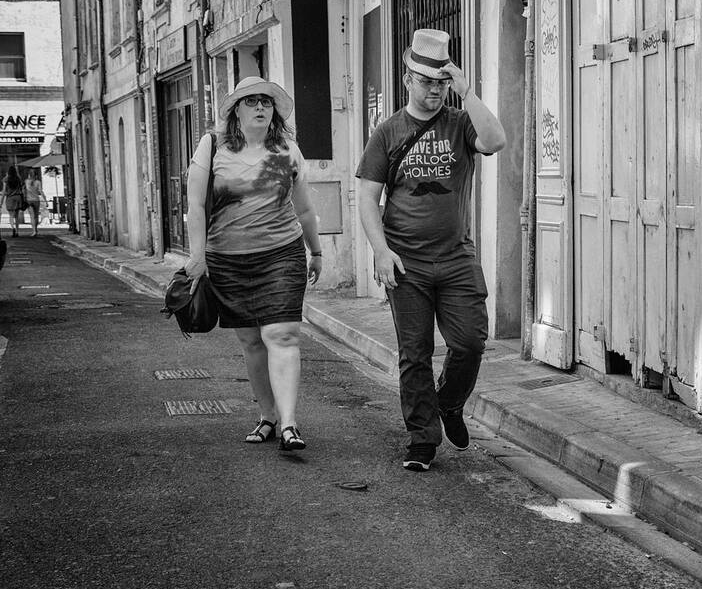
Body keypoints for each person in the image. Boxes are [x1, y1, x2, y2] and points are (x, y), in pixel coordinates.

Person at [356, 29, 506, 471]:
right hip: (407, 264)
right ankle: (422, 439)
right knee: (415, 353)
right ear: (408, 81)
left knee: (471, 342)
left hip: (457, 259)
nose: (435, 89)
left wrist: (468, 91)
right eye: (426, 81)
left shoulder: (461, 124)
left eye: (441, 82)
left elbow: (496, 140)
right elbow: (367, 198)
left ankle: (450, 403)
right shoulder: (387, 133)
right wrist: (381, 253)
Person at [185, 76, 324, 452]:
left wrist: (317, 251)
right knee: (251, 341)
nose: (260, 107)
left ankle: (290, 423)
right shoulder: (212, 146)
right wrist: (197, 257)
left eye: (266, 101)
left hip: (281, 253)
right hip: (227, 259)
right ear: (235, 111)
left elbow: (305, 208)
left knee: (281, 335)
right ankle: (268, 416)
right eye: (251, 102)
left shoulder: (286, 150)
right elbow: (195, 205)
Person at [1, 166, 26, 237]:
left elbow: (3, 191)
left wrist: (1, 201)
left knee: (11, 215)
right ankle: (17, 231)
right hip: (18, 197)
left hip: (10, 198)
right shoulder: (18, 178)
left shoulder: (6, 179)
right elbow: (21, 189)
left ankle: (13, 229)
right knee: (17, 216)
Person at [24, 170, 46, 237]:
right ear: (36, 175)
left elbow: (24, 190)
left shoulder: (26, 181)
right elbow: (41, 191)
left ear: (29, 175)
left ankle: (34, 231)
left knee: (32, 217)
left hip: (29, 200)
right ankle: (36, 230)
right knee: (36, 216)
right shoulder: (38, 182)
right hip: (36, 200)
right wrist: (45, 200)